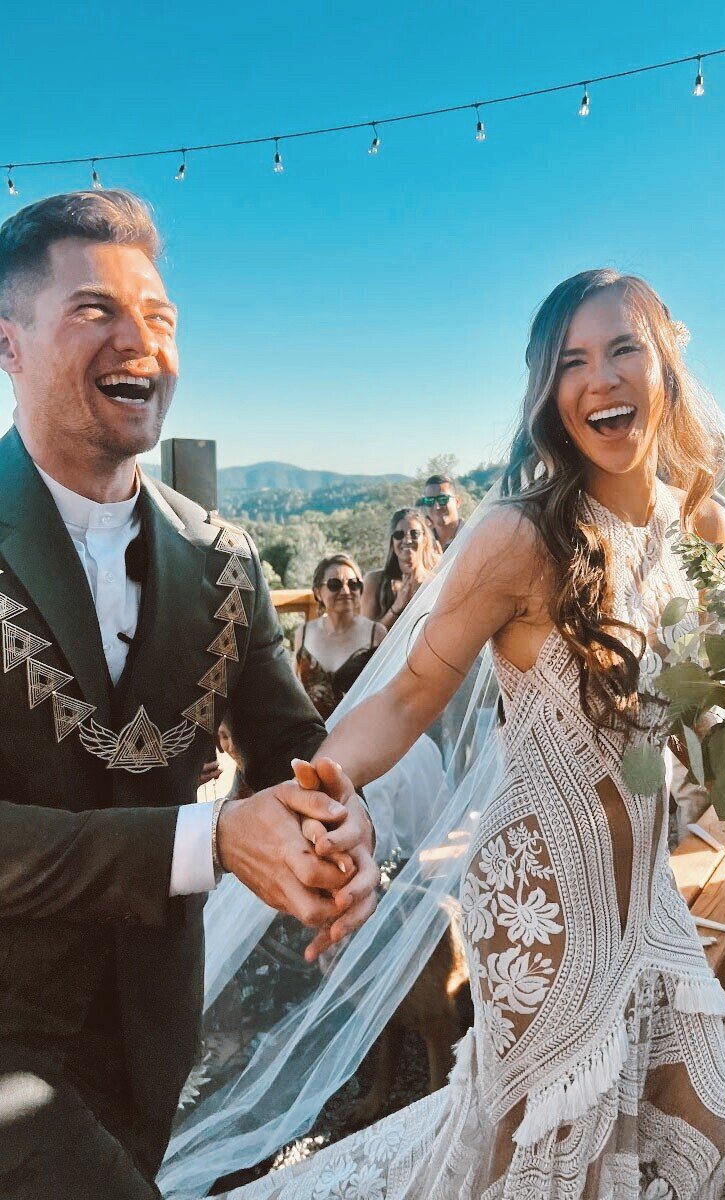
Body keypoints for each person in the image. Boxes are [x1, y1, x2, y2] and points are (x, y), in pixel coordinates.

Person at [225, 269, 725, 1200]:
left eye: (623, 348)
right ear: (548, 393)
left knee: (693, 1123)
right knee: (543, 1161)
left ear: (665, 362)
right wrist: (317, 787)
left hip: (648, 896)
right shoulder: (520, 537)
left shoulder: (692, 521)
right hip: (541, 900)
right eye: (571, 361)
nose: (601, 379)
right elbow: (411, 690)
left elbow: (703, 698)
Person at [0, 190, 378, 1199]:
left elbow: (295, 743)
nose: (140, 343)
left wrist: (340, 821)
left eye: (159, 318)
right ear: (8, 345)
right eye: (95, 310)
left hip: (154, 1029)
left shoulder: (223, 559)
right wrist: (211, 840)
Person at [294, 554, 386, 720]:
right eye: (335, 585)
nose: (346, 591)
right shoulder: (304, 633)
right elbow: (296, 691)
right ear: (318, 592)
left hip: (359, 733)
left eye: (353, 584)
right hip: (312, 733)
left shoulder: (376, 634)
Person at [361, 507, 441, 631]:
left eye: (414, 534)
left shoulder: (436, 584)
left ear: (425, 539)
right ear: (392, 541)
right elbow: (366, 639)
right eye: (399, 535)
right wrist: (396, 607)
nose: (407, 540)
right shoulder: (374, 582)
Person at [417, 473, 466, 550]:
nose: (437, 507)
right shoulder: (421, 544)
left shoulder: (473, 536)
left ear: (457, 501)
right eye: (430, 501)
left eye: (442, 499)